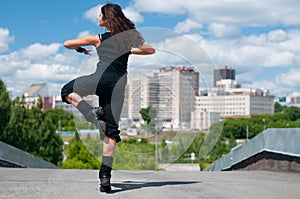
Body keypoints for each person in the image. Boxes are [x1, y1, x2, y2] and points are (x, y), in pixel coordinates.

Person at [61, 3, 155, 193]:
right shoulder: (129, 39)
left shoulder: (99, 38)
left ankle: (91, 112)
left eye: (99, 15)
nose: (98, 18)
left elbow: (67, 43)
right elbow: (150, 50)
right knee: (111, 132)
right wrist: (129, 50)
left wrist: (81, 50)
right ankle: (105, 176)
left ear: (106, 19)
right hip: (118, 85)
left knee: (66, 91)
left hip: (99, 79)